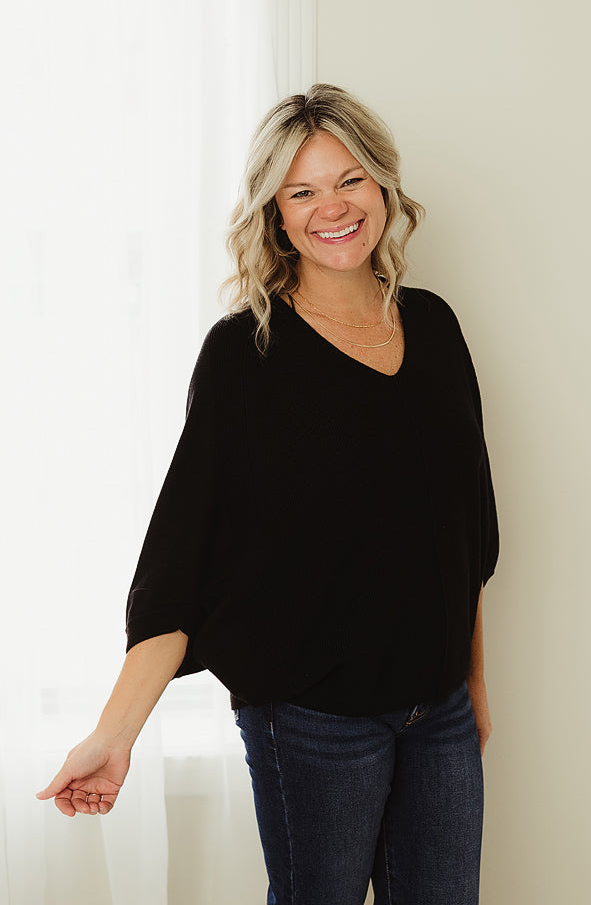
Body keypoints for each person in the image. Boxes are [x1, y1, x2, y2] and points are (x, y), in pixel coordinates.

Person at [37, 84, 499, 905]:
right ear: (275, 215)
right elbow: (181, 563)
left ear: (382, 185)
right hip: (313, 721)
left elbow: (463, 531)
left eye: (349, 180)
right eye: (301, 192)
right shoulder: (244, 354)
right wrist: (114, 734)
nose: (333, 207)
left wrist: (471, 687)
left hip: (438, 716)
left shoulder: (433, 327)